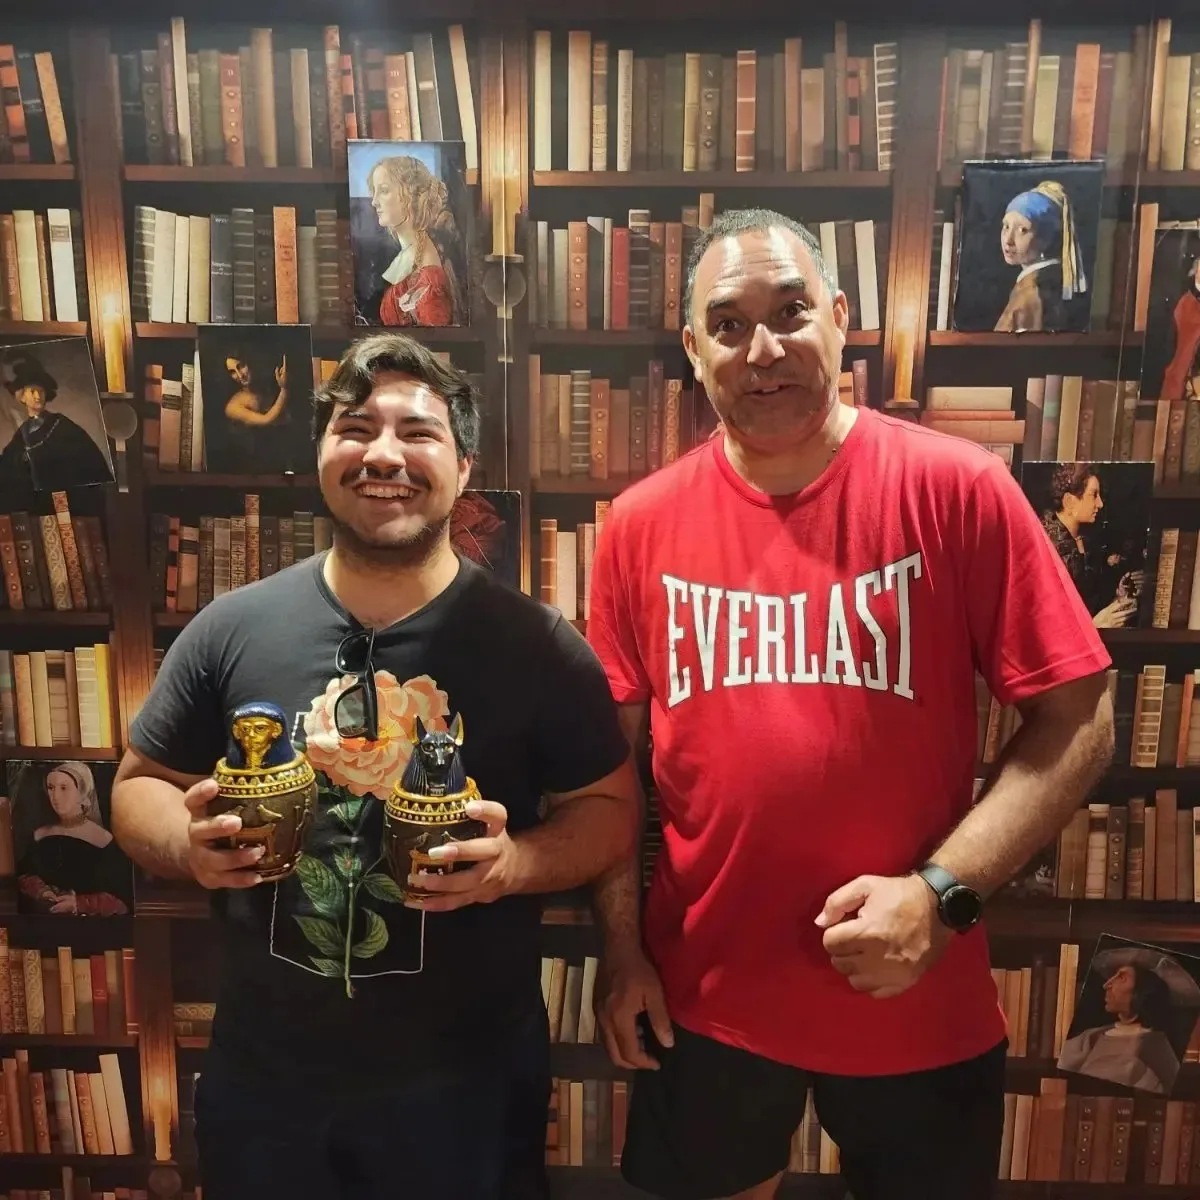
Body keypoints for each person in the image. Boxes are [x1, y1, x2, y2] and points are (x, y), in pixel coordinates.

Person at [586, 207, 1115, 1200]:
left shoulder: (958, 490)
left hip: (918, 988)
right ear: (694, 349)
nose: (763, 348)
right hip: (704, 999)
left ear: (839, 319)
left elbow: (1081, 719)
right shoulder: (638, 527)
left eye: (789, 311)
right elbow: (608, 769)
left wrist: (943, 895)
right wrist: (620, 949)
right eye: (729, 323)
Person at [111, 331, 637, 1200]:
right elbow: (137, 787)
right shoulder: (229, 629)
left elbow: (611, 810)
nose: (383, 455)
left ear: (463, 468)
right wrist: (186, 845)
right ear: (321, 455)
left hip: (467, 1087)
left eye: (417, 432)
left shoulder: (540, 646)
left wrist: (515, 864)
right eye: (355, 429)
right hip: (265, 1081)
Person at [1057, 950, 1192, 1096]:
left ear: (1143, 990)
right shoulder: (1090, 1037)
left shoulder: (1157, 1046)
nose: (1107, 984)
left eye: (1122, 978)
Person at [17, 760, 131, 915]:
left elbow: (121, 901)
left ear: (83, 793)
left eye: (64, 788)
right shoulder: (40, 835)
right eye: (51, 787)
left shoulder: (104, 840)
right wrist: (42, 892)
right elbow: (24, 876)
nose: (55, 796)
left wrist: (79, 903)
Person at [365, 154, 465, 327]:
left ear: (410, 196)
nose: (374, 202)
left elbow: (435, 336)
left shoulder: (428, 272)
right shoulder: (409, 250)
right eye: (374, 192)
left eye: (384, 191)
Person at [1038, 462, 1141, 628]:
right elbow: (1046, 623)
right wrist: (1094, 625)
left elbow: (1085, 601)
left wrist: (1118, 597)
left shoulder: (1086, 540)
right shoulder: (1045, 544)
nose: (1100, 503)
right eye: (1093, 495)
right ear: (1069, 501)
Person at [0, 350, 113, 490]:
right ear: (22, 397)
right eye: (32, 391)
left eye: (41, 391)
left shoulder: (62, 425)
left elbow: (89, 461)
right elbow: (8, 464)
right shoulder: (22, 433)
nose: (38, 396)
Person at [993, 180, 1088, 333]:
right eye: (1006, 226)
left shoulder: (1033, 291)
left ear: (1045, 238)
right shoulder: (1040, 281)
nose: (1008, 240)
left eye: (1023, 230)